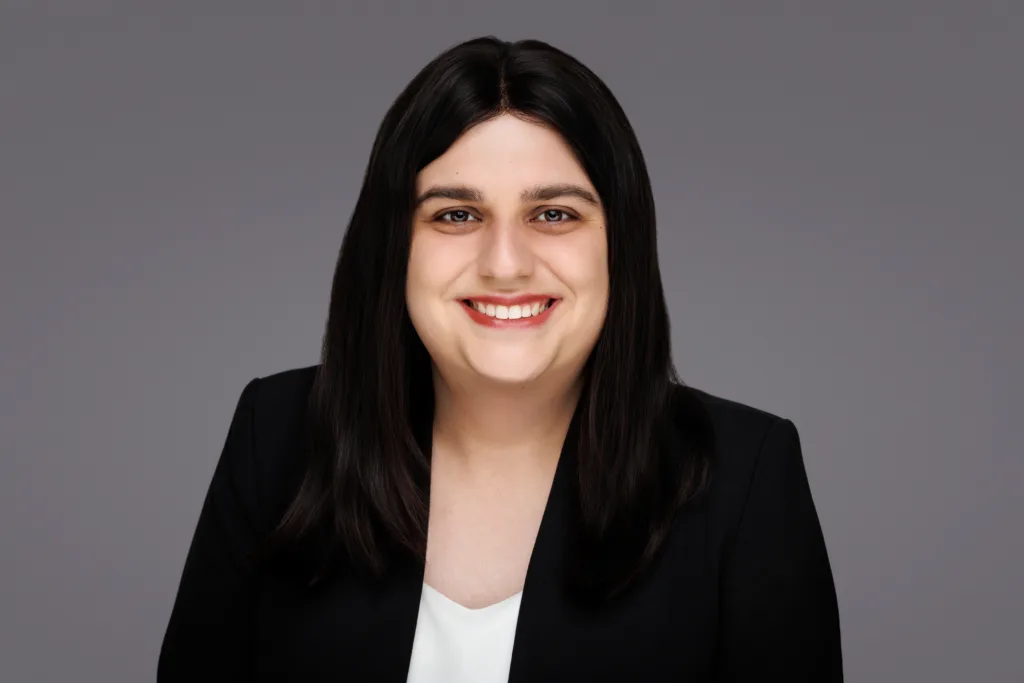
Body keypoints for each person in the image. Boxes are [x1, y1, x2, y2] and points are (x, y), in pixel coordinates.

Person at [157, 36, 843, 682]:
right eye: (456, 214)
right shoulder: (273, 438)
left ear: (620, 245)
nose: (506, 264)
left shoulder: (746, 476)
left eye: (554, 214)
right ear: (392, 247)